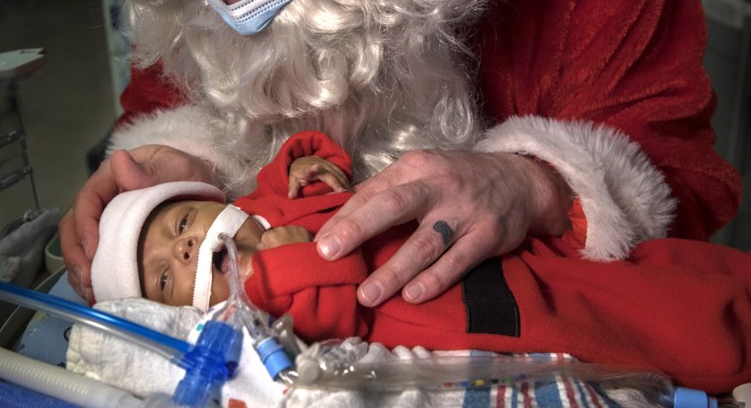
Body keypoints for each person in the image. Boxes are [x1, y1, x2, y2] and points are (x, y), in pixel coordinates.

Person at [50, 0, 741, 308]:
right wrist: (179, 160)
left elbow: (680, 179)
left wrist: (535, 187)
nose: (242, 15)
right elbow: (160, 96)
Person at [91, 132, 751, 394]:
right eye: (166, 276)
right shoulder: (254, 311)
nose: (182, 249)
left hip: (503, 245)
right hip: (488, 318)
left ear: (216, 205)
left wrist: (306, 162)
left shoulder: (262, 208)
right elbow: (332, 295)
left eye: (181, 225)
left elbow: (308, 175)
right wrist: (269, 271)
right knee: (650, 328)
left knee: (649, 270)